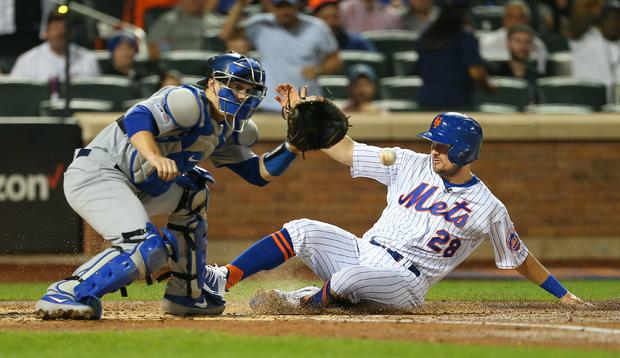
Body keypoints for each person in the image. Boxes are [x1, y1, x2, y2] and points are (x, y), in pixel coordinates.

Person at [202, 85, 589, 312]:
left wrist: (564, 294)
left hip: (406, 282)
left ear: (466, 151)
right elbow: (345, 151)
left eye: (443, 145)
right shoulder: (408, 162)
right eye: (433, 142)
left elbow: (519, 257)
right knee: (303, 230)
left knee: (348, 278)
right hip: (363, 251)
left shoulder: (489, 207)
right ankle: (223, 279)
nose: (434, 150)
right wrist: (303, 117)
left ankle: (299, 303)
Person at [34, 52, 304, 320]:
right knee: (146, 248)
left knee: (194, 191)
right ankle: (67, 292)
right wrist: (154, 157)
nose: (242, 95)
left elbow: (257, 174)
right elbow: (137, 118)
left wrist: (294, 144)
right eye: (235, 87)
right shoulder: (187, 100)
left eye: (249, 90)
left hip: (139, 184)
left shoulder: (233, 129)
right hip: (98, 173)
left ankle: (186, 291)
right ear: (213, 83)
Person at [220, 0, 343, 111]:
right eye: (279, 7)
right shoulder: (261, 24)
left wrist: (318, 70)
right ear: (273, 7)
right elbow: (226, 35)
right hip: (269, 103)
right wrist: (240, 4)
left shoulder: (317, 27)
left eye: (289, 7)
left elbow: (335, 59)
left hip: (307, 103)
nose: (284, 11)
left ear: (298, 6)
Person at [416, 0, 495, 111]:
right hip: (457, 100)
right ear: (464, 13)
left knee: (430, 128)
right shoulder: (464, 37)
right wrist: (489, 88)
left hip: (428, 99)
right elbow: (476, 73)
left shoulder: (426, 36)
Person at [10, 11, 100, 81]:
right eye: (55, 28)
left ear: (72, 33)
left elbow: (96, 95)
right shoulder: (27, 61)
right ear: (46, 32)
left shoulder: (88, 59)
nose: (60, 33)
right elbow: (16, 94)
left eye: (65, 28)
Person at [478, 0, 549, 75]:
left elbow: (541, 74)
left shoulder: (538, 45)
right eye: (511, 17)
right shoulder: (486, 41)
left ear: (527, 20)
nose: (516, 21)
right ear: (504, 19)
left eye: (520, 17)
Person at [569, 0, 620, 101]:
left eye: (618, 20)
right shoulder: (584, 38)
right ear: (600, 21)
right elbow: (578, 17)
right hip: (587, 99)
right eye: (610, 19)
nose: (614, 24)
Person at [147, 0, 224, 59]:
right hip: (177, 64)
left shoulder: (215, 21)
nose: (195, 2)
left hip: (207, 64)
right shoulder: (169, 20)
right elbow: (153, 47)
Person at [492, 24, 539, 103]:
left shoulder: (537, 77)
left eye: (527, 42)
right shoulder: (496, 75)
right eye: (517, 41)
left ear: (532, 46)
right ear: (508, 44)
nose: (523, 46)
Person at [312, 0, 377, 51]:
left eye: (335, 17)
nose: (331, 22)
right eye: (325, 18)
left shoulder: (358, 42)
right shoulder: (308, 44)